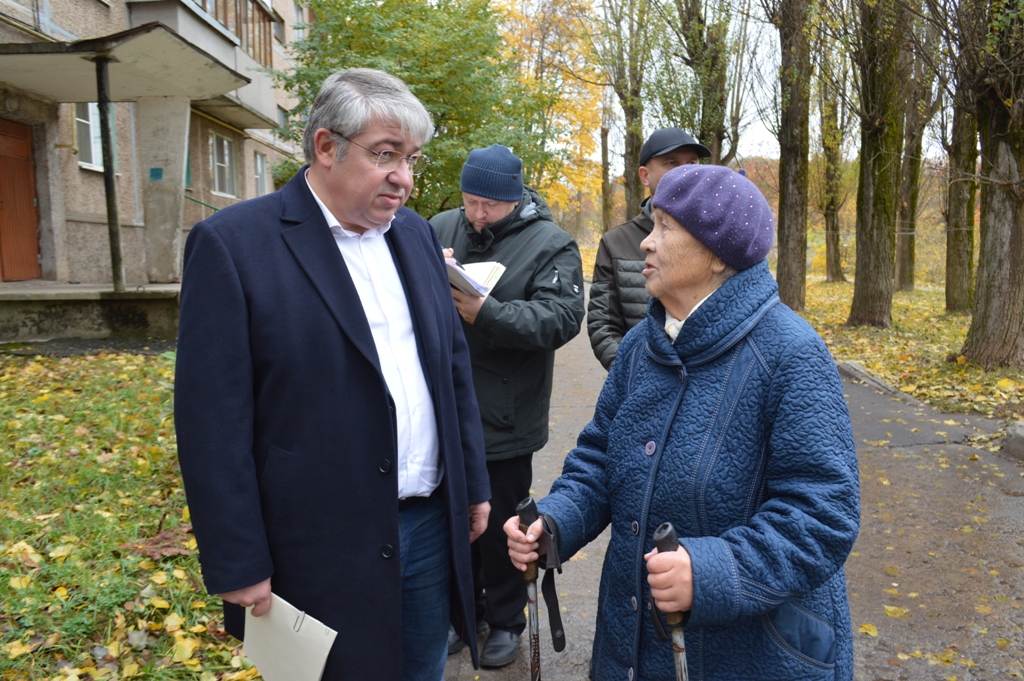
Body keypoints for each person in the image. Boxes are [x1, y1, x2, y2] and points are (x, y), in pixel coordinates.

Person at [174, 68, 491, 681]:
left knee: (423, 668)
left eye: (411, 159)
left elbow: (452, 370)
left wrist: (473, 483)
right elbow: (213, 422)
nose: (403, 177)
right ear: (326, 147)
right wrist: (238, 558)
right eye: (385, 155)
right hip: (316, 545)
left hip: (428, 527)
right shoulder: (234, 246)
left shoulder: (418, 236)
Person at [506, 164, 860, 681]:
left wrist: (713, 571)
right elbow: (601, 457)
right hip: (633, 644)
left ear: (718, 255)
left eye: (665, 228)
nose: (645, 244)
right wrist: (555, 520)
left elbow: (823, 515)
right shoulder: (640, 348)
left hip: (750, 655)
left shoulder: (791, 354)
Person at [430, 145, 585, 667]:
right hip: (444, 409)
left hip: (504, 415)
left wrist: (485, 312)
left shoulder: (551, 244)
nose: (476, 215)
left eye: (489, 206)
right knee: (451, 522)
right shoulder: (438, 227)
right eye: (470, 202)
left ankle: (506, 620)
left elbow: (560, 320)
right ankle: (464, 614)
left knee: (500, 528)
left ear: (515, 199)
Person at [588, 128, 711, 370]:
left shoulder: (714, 236)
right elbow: (602, 325)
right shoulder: (616, 242)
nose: (685, 172)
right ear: (645, 176)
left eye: (692, 162)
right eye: (671, 163)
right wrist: (636, 375)